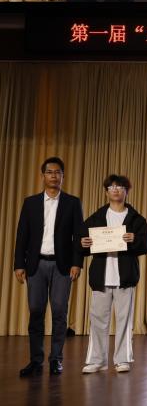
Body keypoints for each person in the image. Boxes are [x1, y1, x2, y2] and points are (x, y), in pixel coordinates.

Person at [14, 157, 84, 377]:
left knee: (60, 312)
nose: (54, 176)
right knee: (36, 312)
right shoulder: (30, 203)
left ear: (63, 176)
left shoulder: (73, 203)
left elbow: (78, 236)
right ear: (43, 175)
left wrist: (77, 263)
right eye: (50, 172)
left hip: (62, 266)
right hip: (35, 265)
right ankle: (36, 361)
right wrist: (19, 264)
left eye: (58, 172)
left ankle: (56, 360)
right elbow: (22, 236)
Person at [79, 174, 147, 374]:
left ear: (127, 191)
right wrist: (83, 243)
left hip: (125, 277)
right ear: (106, 192)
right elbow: (82, 242)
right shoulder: (97, 217)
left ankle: (122, 359)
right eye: (111, 187)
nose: (116, 190)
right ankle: (97, 360)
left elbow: (145, 245)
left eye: (120, 187)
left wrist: (134, 239)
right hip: (101, 276)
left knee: (124, 320)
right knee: (97, 320)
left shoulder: (136, 218)